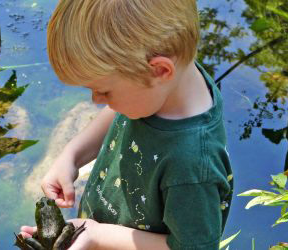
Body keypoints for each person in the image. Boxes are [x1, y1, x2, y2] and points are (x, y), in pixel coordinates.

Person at [20, 0, 233, 249]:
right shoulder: (165, 87)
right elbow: (118, 111)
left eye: (104, 91)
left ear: (160, 71)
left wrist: (99, 237)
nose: (96, 101)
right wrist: (72, 156)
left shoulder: (193, 165)